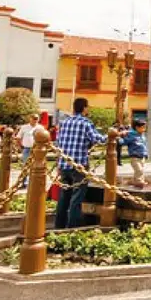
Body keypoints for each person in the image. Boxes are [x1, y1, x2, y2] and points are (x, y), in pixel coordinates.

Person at [54, 98, 106, 229]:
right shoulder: (85, 123)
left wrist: (58, 163)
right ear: (84, 108)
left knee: (63, 197)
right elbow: (98, 139)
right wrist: (113, 135)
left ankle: (59, 226)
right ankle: (72, 227)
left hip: (64, 164)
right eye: (87, 107)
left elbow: (58, 143)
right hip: (79, 166)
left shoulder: (64, 122)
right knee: (76, 198)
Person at [15, 114, 40, 188]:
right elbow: (18, 137)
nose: (35, 120)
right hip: (27, 149)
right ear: (30, 119)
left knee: (36, 167)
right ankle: (24, 183)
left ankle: (34, 183)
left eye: (36, 118)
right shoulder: (24, 127)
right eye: (34, 118)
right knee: (25, 166)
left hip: (37, 150)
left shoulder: (40, 127)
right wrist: (20, 147)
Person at [122, 119, 148, 188]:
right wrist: (120, 138)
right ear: (137, 127)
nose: (145, 129)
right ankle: (139, 182)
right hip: (135, 157)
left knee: (140, 171)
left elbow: (144, 146)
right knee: (139, 170)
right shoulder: (131, 135)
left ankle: (133, 181)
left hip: (142, 157)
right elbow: (124, 142)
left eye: (145, 127)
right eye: (143, 127)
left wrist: (146, 154)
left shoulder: (142, 135)